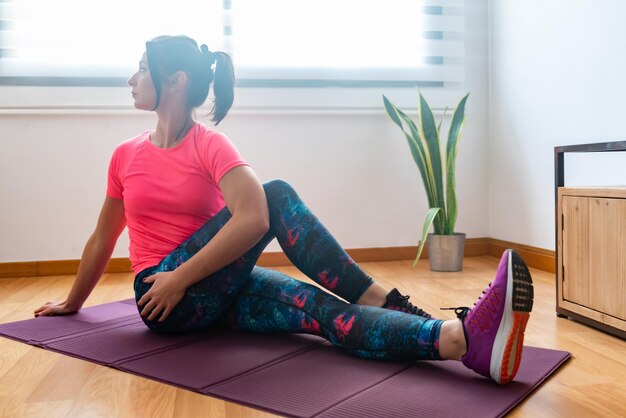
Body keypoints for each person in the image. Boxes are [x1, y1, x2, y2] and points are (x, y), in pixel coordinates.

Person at [34, 35, 533, 385]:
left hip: (212, 288)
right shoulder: (126, 155)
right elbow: (104, 237)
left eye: (142, 67)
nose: (131, 78)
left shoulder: (209, 145)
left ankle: (461, 341)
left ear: (175, 79)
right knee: (273, 195)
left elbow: (250, 222)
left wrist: (186, 275)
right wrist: (72, 303)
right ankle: (389, 298)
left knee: (321, 311)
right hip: (163, 295)